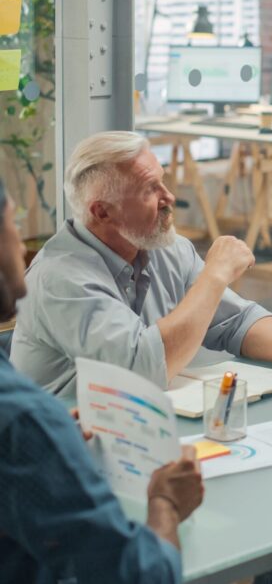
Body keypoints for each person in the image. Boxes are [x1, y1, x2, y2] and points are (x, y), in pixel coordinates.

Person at [11, 131, 272, 395]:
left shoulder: (164, 248)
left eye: (162, 181)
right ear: (102, 212)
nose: (168, 197)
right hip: (63, 448)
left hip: (133, 426)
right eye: (149, 190)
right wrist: (214, 276)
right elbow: (141, 372)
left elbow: (236, 322)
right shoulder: (61, 278)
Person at [0, 175, 205, 583]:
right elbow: (142, 575)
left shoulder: (168, 249)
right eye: (12, 226)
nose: (22, 245)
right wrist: (165, 501)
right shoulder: (22, 420)